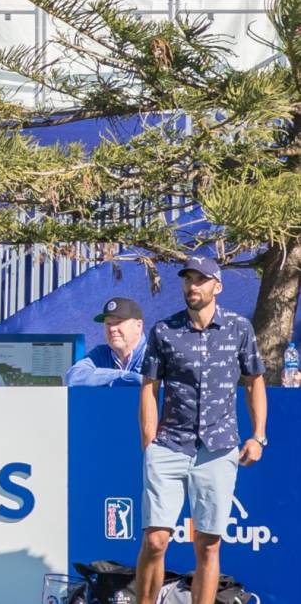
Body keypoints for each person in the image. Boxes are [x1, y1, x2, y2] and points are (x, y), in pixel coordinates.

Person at [133, 257, 267, 604]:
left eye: (201, 280)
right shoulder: (164, 330)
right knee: (155, 539)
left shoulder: (239, 328)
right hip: (170, 444)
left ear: (217, 287)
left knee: (208, 544)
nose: (193, 286)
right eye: (188, 279)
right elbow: (149, 386)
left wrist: (258, 436)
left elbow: (254, 381)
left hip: (219, 447)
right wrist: (149, 440)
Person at [66, 297, 147, 387]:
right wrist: (123, 376)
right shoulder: (100, 353)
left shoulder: (155, 354)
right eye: (108, 323)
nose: (112, 329)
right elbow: (73, 377)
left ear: (138, 326)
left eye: (118, 322)